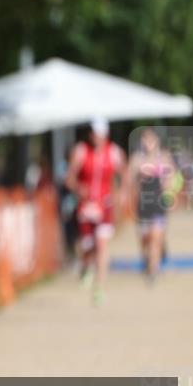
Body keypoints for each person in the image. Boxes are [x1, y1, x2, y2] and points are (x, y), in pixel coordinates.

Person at [64, 118, 126, 306]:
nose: (95, 136)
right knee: (88, 246)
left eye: (98, 133)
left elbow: (124, 174)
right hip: (86, 206)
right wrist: (78, 188)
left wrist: (121, 194)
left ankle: (99, 287)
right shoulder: (81, 151)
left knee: (102, 245)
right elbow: (69, 178)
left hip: (104, 205)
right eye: (92, 132)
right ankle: (85, 266)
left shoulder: (114, 152)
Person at [125, 127, 178, 284]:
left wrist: (169, 192)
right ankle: (149, 257)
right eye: (145, 139)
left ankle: (153, 270)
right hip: (142, 204)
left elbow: (173, 177)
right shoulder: (136, 159)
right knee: (145, 238)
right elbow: (128, 180)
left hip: (158, 204)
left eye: (151, 139)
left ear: (157, 141)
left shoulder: (164, 157)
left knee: (155, 237)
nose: (148, 143)